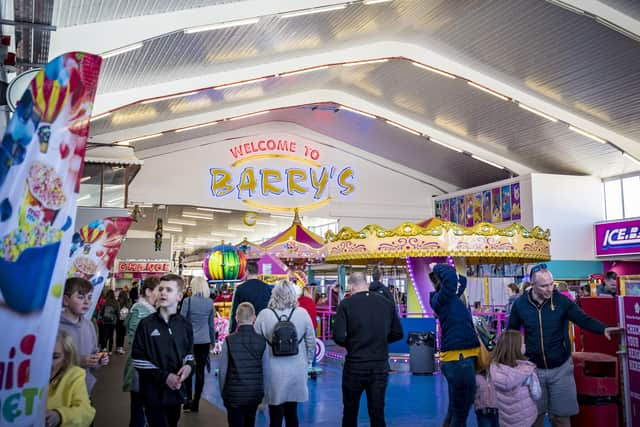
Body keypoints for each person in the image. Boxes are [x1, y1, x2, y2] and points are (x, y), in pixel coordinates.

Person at [508, 263, 621, 427]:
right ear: (532, 285)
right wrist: (512, 356)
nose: (549, 289)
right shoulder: (520, 304)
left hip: (561, 369)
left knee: (561, 418)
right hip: (533, 370)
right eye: (544, 286)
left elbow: (582, 318)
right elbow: (511, 331)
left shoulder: (561, 300)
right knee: (534, 418)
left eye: (551, 284)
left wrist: (603, 329)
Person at [333, 272, 403, 427]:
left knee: (350, 411)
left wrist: (352, 344)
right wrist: (381, 340)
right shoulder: (386, 303)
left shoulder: (345, 305)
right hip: (379, 366)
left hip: (355, 365)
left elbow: (338, 336)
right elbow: (398, 333)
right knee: (377, 411)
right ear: (367, 283)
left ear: (351, 286)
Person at [132, 274, 194, 427]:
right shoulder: (146, 325)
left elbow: (189, 354)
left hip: (176, 393)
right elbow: (138, 359)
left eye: (168, 289)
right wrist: (165, 377)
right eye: (161, 289)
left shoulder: (185, 325)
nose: (163, 293)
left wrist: (188, 368)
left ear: (179, 296)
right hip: (153, 393)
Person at [254, 281, 315, 427]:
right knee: (292, 413)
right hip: (297, 369)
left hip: (273, 370)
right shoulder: (302, 313)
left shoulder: (264, 314)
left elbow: (256, 344)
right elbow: (311, 341)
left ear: (274, 294)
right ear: (293, 295)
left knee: (275, 415)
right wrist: (308, 362)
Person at [428, 264, 479, 427]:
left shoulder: (449, 297)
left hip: (461, 358)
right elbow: (452, 279)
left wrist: (452, 271)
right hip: (459, 359)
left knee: (455, 408)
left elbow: (462, 281)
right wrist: (438, 267)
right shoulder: (441, 297)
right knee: (461, 411)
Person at [219, 302, 267, 427]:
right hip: (254, 394)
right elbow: (266, 370)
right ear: (254, 318)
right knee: (250, 422)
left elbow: (222, 371)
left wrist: (223, 393)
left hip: (233, 395)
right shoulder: (262, 341)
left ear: (236, 318)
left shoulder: (229, 341)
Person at [59, 278, 109, 396]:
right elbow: (45, 362)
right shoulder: (54, 327)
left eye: (89, 297)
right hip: (60, 393)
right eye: (81, 297)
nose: (86, 302)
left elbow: (93, 354)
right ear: (66, 300)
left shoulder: (89, 325)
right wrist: (78, 361)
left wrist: (99, 360)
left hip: (84, 391)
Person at [123, 276, 160, 427]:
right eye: (159, 290)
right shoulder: (140, 311)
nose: (162, 294)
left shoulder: (147, 310)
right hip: (141, 370)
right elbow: (136, 341)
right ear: (148, 291)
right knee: (140, 412)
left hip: (146, 369)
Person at [180, 276, 216, 413]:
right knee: (200, 372)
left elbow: (181, 322)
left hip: (189, 342)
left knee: (187, 369)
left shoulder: (187, 302)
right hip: (204, 341)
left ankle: (188, 400)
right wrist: (213, 341)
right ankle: (196, 403)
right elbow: (211, 325)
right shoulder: (209, 303)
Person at [46, 330, 96, 427]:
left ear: (66, 357)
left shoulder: (74, 375)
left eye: (55, 357)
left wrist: (60, 416)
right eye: (42, 355)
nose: (48, 363)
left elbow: (86, 412)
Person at [488, 330, 538, 427]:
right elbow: (537, 394)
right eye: (523, 343)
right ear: (517, 348)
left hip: (505, 420)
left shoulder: (493, 369)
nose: (525, 345)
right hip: (526, 420)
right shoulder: (527, 372)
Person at [229, 261, 272, 332]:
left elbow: (234, 312)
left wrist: (231, 331)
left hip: (246, 328)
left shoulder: (240, 289)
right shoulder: (267, 288)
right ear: (257, 272)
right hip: (263, 327)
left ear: (247, 271)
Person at [99, 290, 119, 354]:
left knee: (105, 335)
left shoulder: (105, 302)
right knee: (111, 335)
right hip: (113, 321)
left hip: (105, 321)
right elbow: (118, 313)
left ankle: (103, 348)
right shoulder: (116, 303)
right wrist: (117, 319)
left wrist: (101, 318)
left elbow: (101, 311)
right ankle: (110, 350)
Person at [115, 290, 131, 355]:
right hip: (124, 320)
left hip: (117, 320)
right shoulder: (127, 302)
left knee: (118, 334)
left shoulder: (117, 302)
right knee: (122, 334)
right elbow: (129, 310)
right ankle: (120, 348)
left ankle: (117, 347)